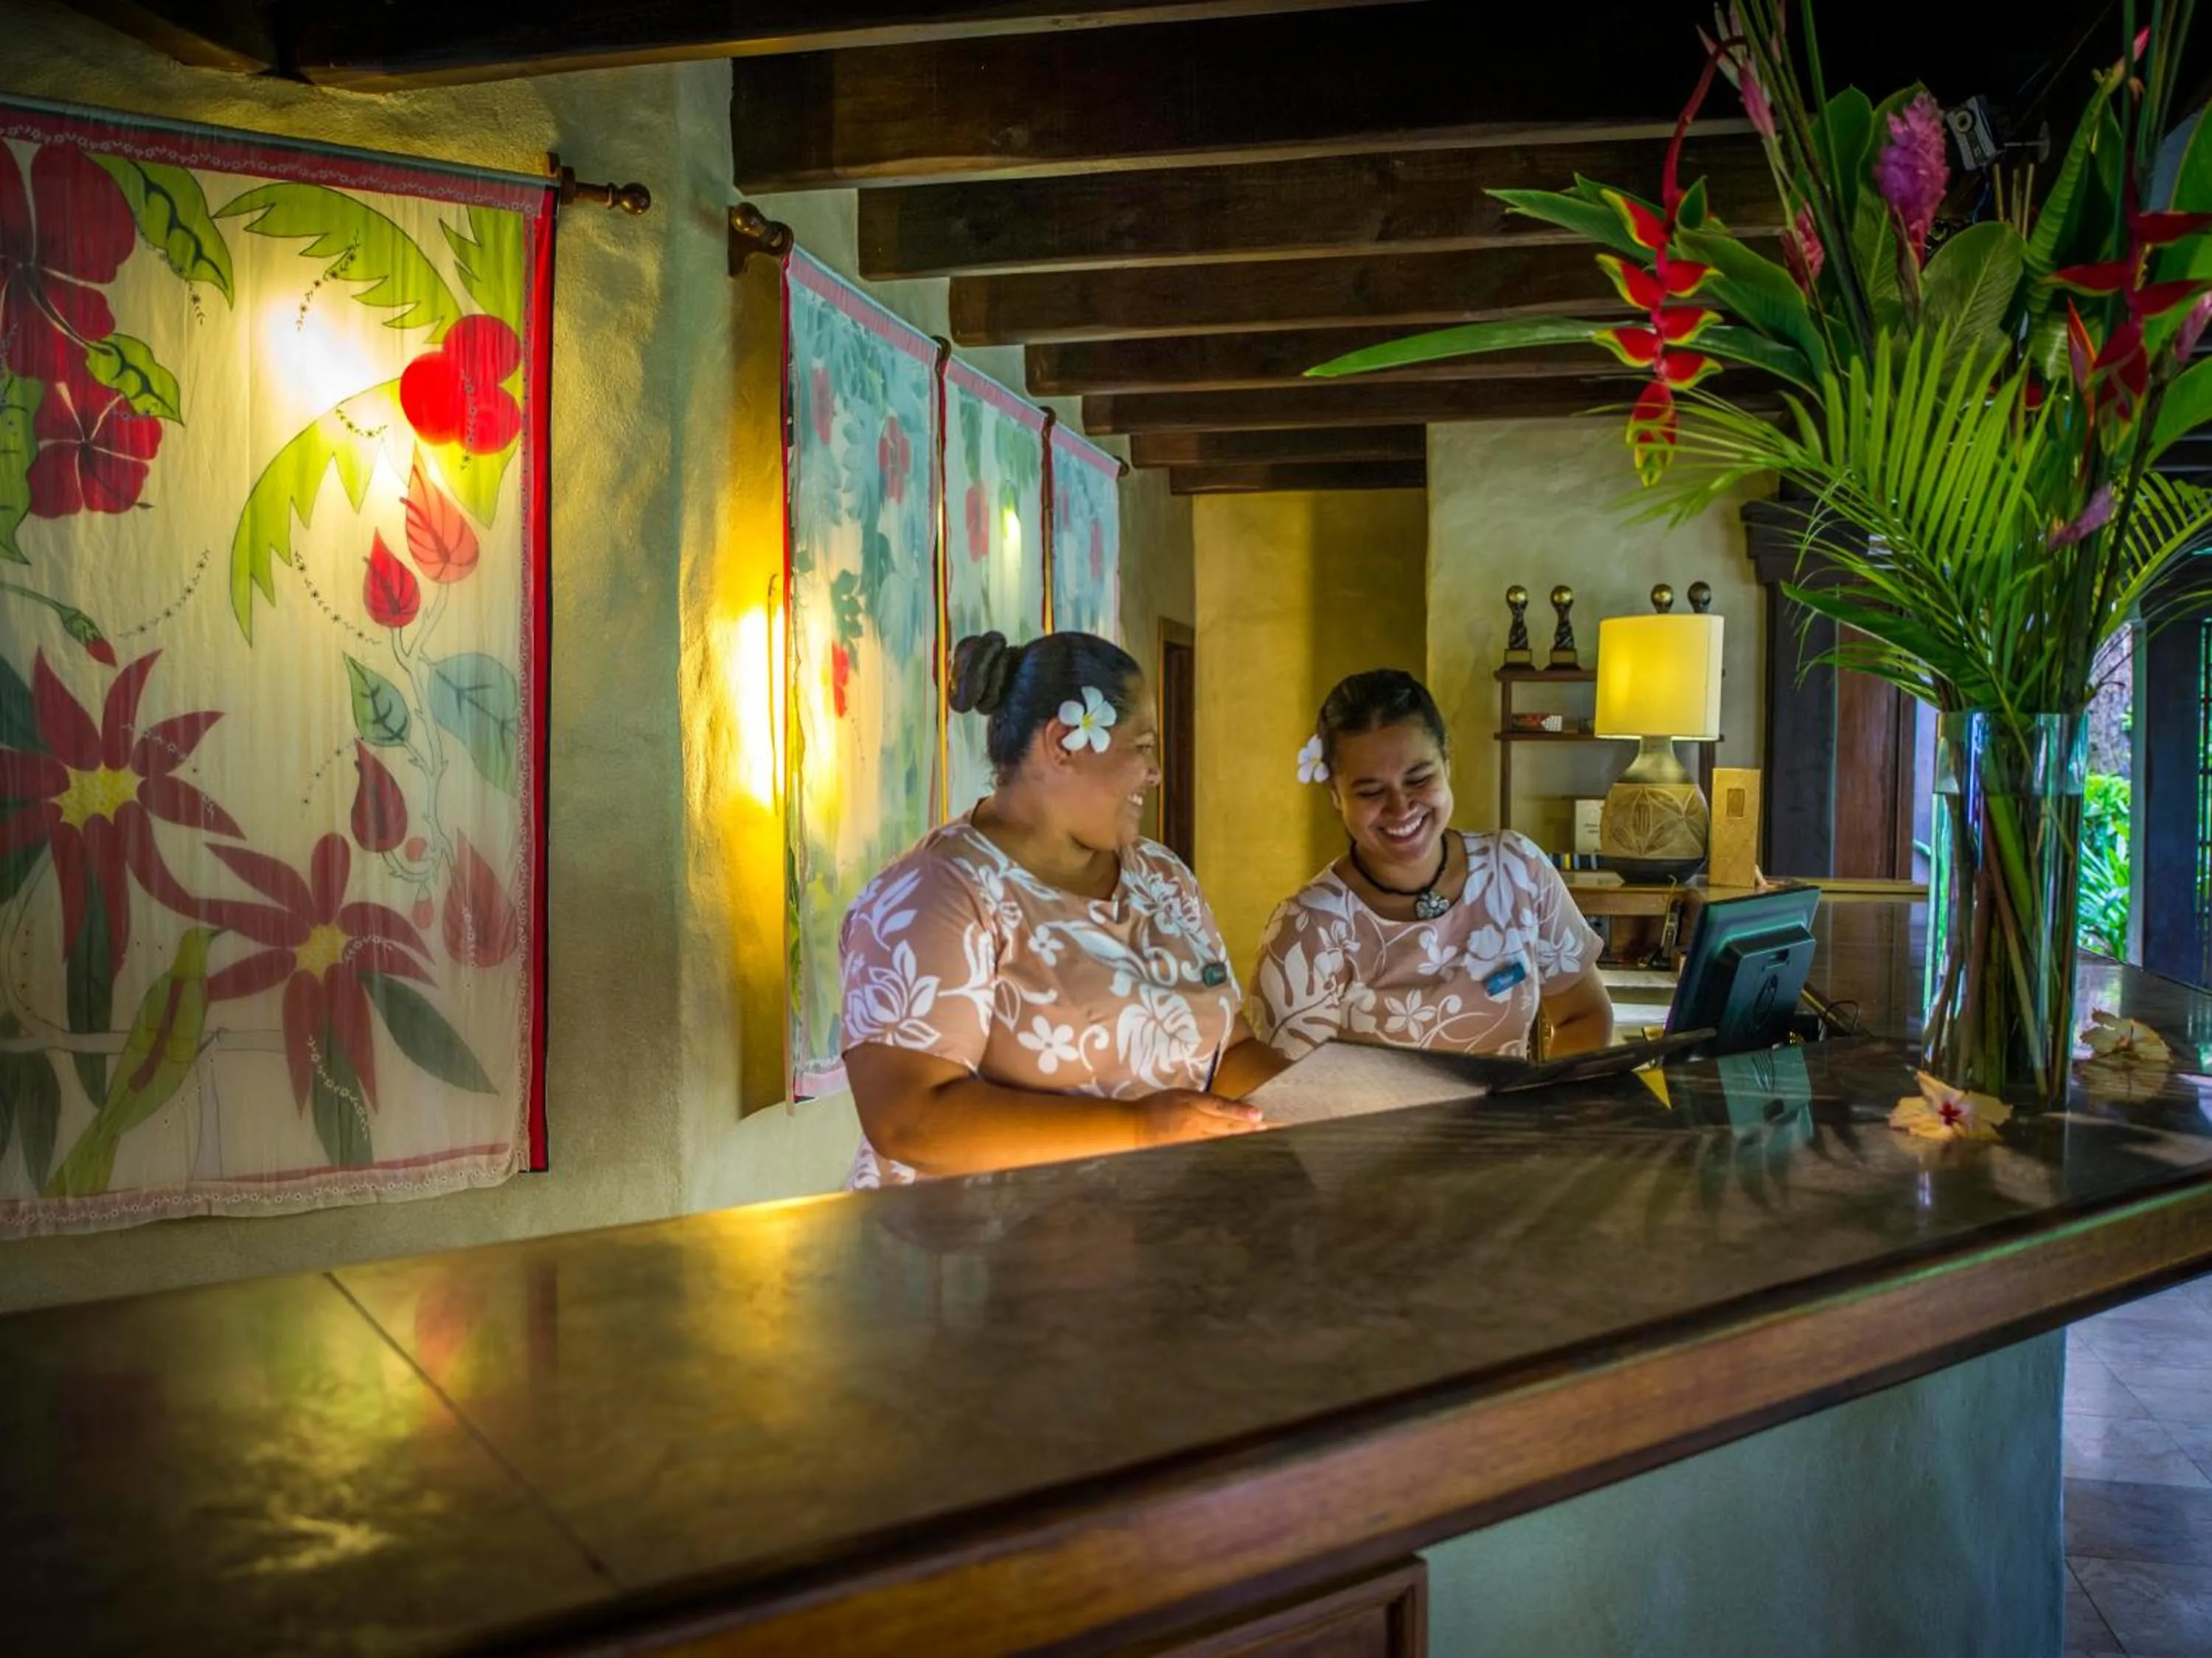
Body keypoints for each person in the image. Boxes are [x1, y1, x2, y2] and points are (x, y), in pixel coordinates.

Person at [839, 630, 1284, 1187]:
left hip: (1152, 1247)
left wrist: (1342, 1106)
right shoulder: (938, 895)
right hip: (981, 1261)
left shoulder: (1161, 877)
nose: (1156, 773)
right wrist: (1138, 1130)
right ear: (1063, 743)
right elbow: (909, 1122)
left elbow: (1227, 1049)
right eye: (1143, 748)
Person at [1251, 669, 1615, 1062]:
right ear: (1336, 797)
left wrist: (1544, 1110)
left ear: (1447, 761)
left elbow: (1584, 1015)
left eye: (1419, 778)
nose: (1400, 807)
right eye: (1371, 791)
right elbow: (1287, 1098)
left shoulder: (1518, 870)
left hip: (1510, 1122)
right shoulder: (1309, 930)